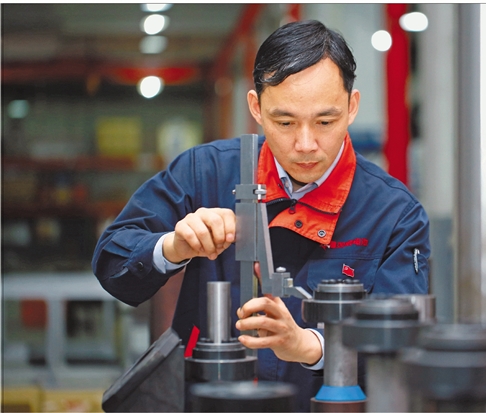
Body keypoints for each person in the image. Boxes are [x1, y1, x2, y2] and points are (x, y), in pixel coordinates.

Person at [92, 19, 430, 411]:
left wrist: (311, 347)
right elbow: (112, 262)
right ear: (256, 107)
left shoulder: (394, 214)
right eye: (285, 122)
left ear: (352, 107)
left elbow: (404, 347)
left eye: (325, 121)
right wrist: (172, 247)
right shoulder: (206, 173)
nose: (306, 144)